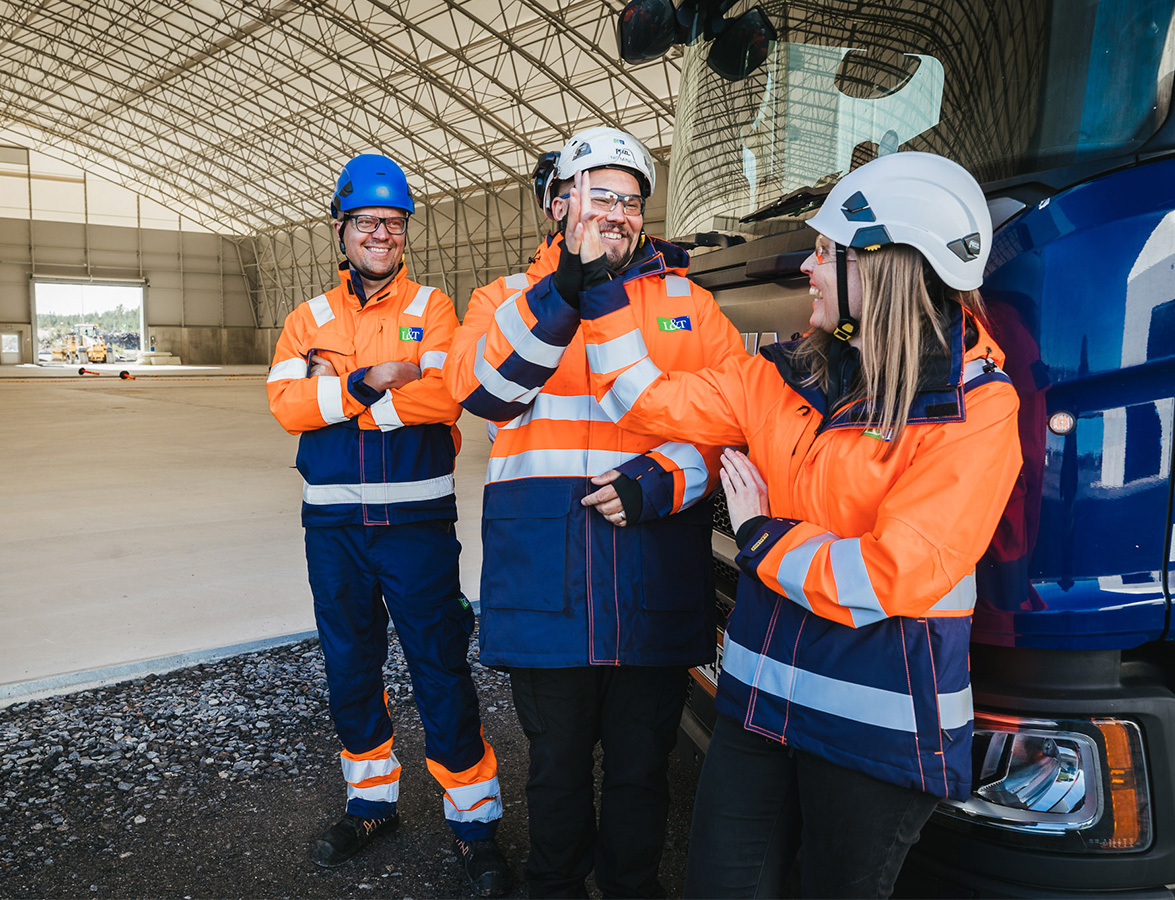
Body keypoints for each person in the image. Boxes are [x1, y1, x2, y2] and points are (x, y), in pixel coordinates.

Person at [571, 151, 1023, 898]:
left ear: (881, 267)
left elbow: (895, 572)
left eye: (825, 251)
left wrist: (763, 540)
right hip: (758, 713)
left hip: (876, 740)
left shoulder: (976, 410)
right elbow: (638, 398)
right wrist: (598, 288)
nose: (807, 269)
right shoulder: (780, 376)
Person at [443, 126, 747, 898]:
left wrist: (664, 480)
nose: (616, 212)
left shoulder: (690, 305)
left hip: (651, 577)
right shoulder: (503, 299)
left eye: (630, 199)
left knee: (644, 771)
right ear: (558, 202)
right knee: (556, 770)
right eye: (599, 194)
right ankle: (554, 886)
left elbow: (738, 426)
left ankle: (631, 887)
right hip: (550, 584)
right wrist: (564, 294)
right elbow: (483, 390)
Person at [266, 153, 511, 897]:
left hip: (416, 526)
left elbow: (443, 397)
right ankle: (371, 807)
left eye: (395, 223)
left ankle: (475, 827)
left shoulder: (435, 308)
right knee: (350, 670)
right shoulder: (306, 318)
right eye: (368, 221)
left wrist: (334, 394)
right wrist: (373, 381)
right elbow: (285, 409)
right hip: (335, 531)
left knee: (439, 668)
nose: (382, 234)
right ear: (340, 230)